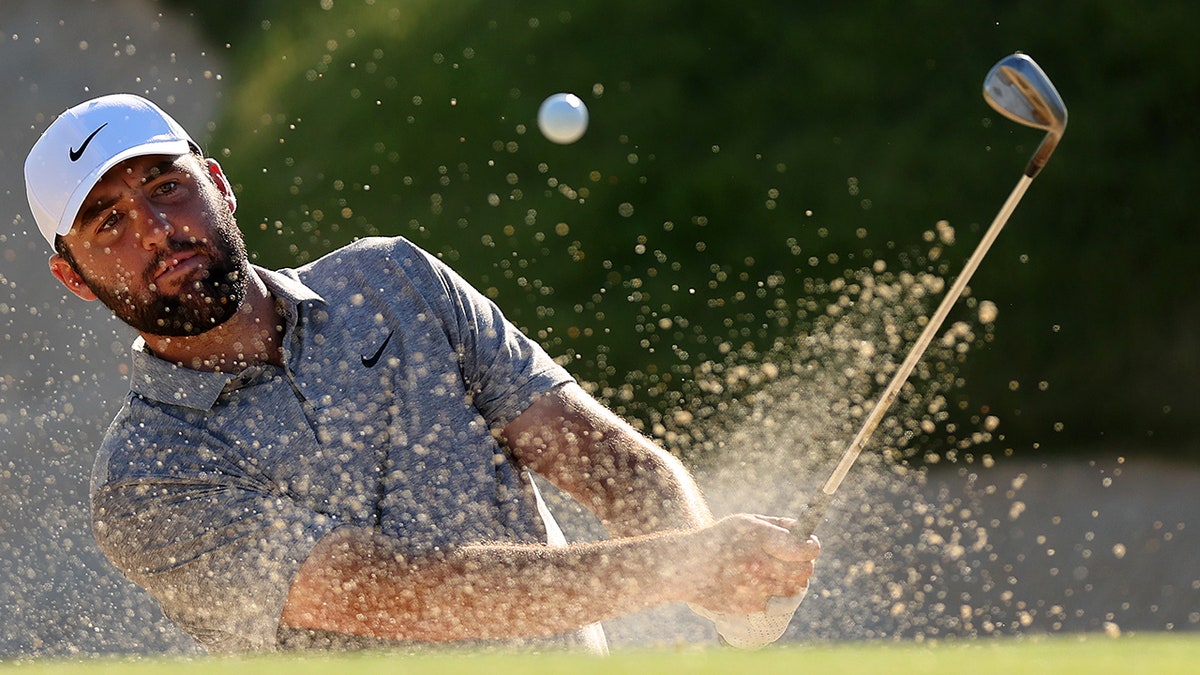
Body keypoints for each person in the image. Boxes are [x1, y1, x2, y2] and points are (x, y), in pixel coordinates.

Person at [23, 94, 819, 653]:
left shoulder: (390, 282)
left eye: (167, 187)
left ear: (219, 184)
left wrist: (732, 587)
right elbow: (398, 591)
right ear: (75, 277)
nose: (161, 231)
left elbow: (600, 455)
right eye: (111, 222)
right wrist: (685, 564)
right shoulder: (145, 479)